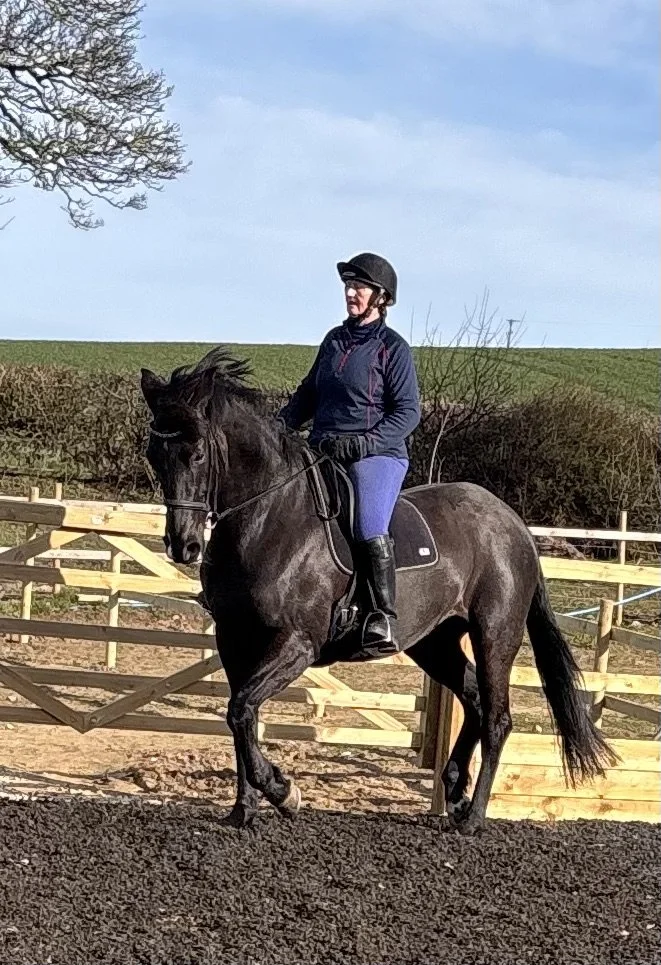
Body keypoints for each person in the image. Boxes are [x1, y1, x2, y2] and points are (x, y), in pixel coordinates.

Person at [278, 252, 421, 656]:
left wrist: (366, 442)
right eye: (348, 286)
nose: (350, 294)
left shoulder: (393, 349)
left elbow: (408, 411)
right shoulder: (334, 340)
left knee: (366, 524)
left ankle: (382, 615)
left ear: (380, 298)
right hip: (324, 447)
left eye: (358, 287)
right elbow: (309, 394)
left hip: (376, 454)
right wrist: (281, 425)